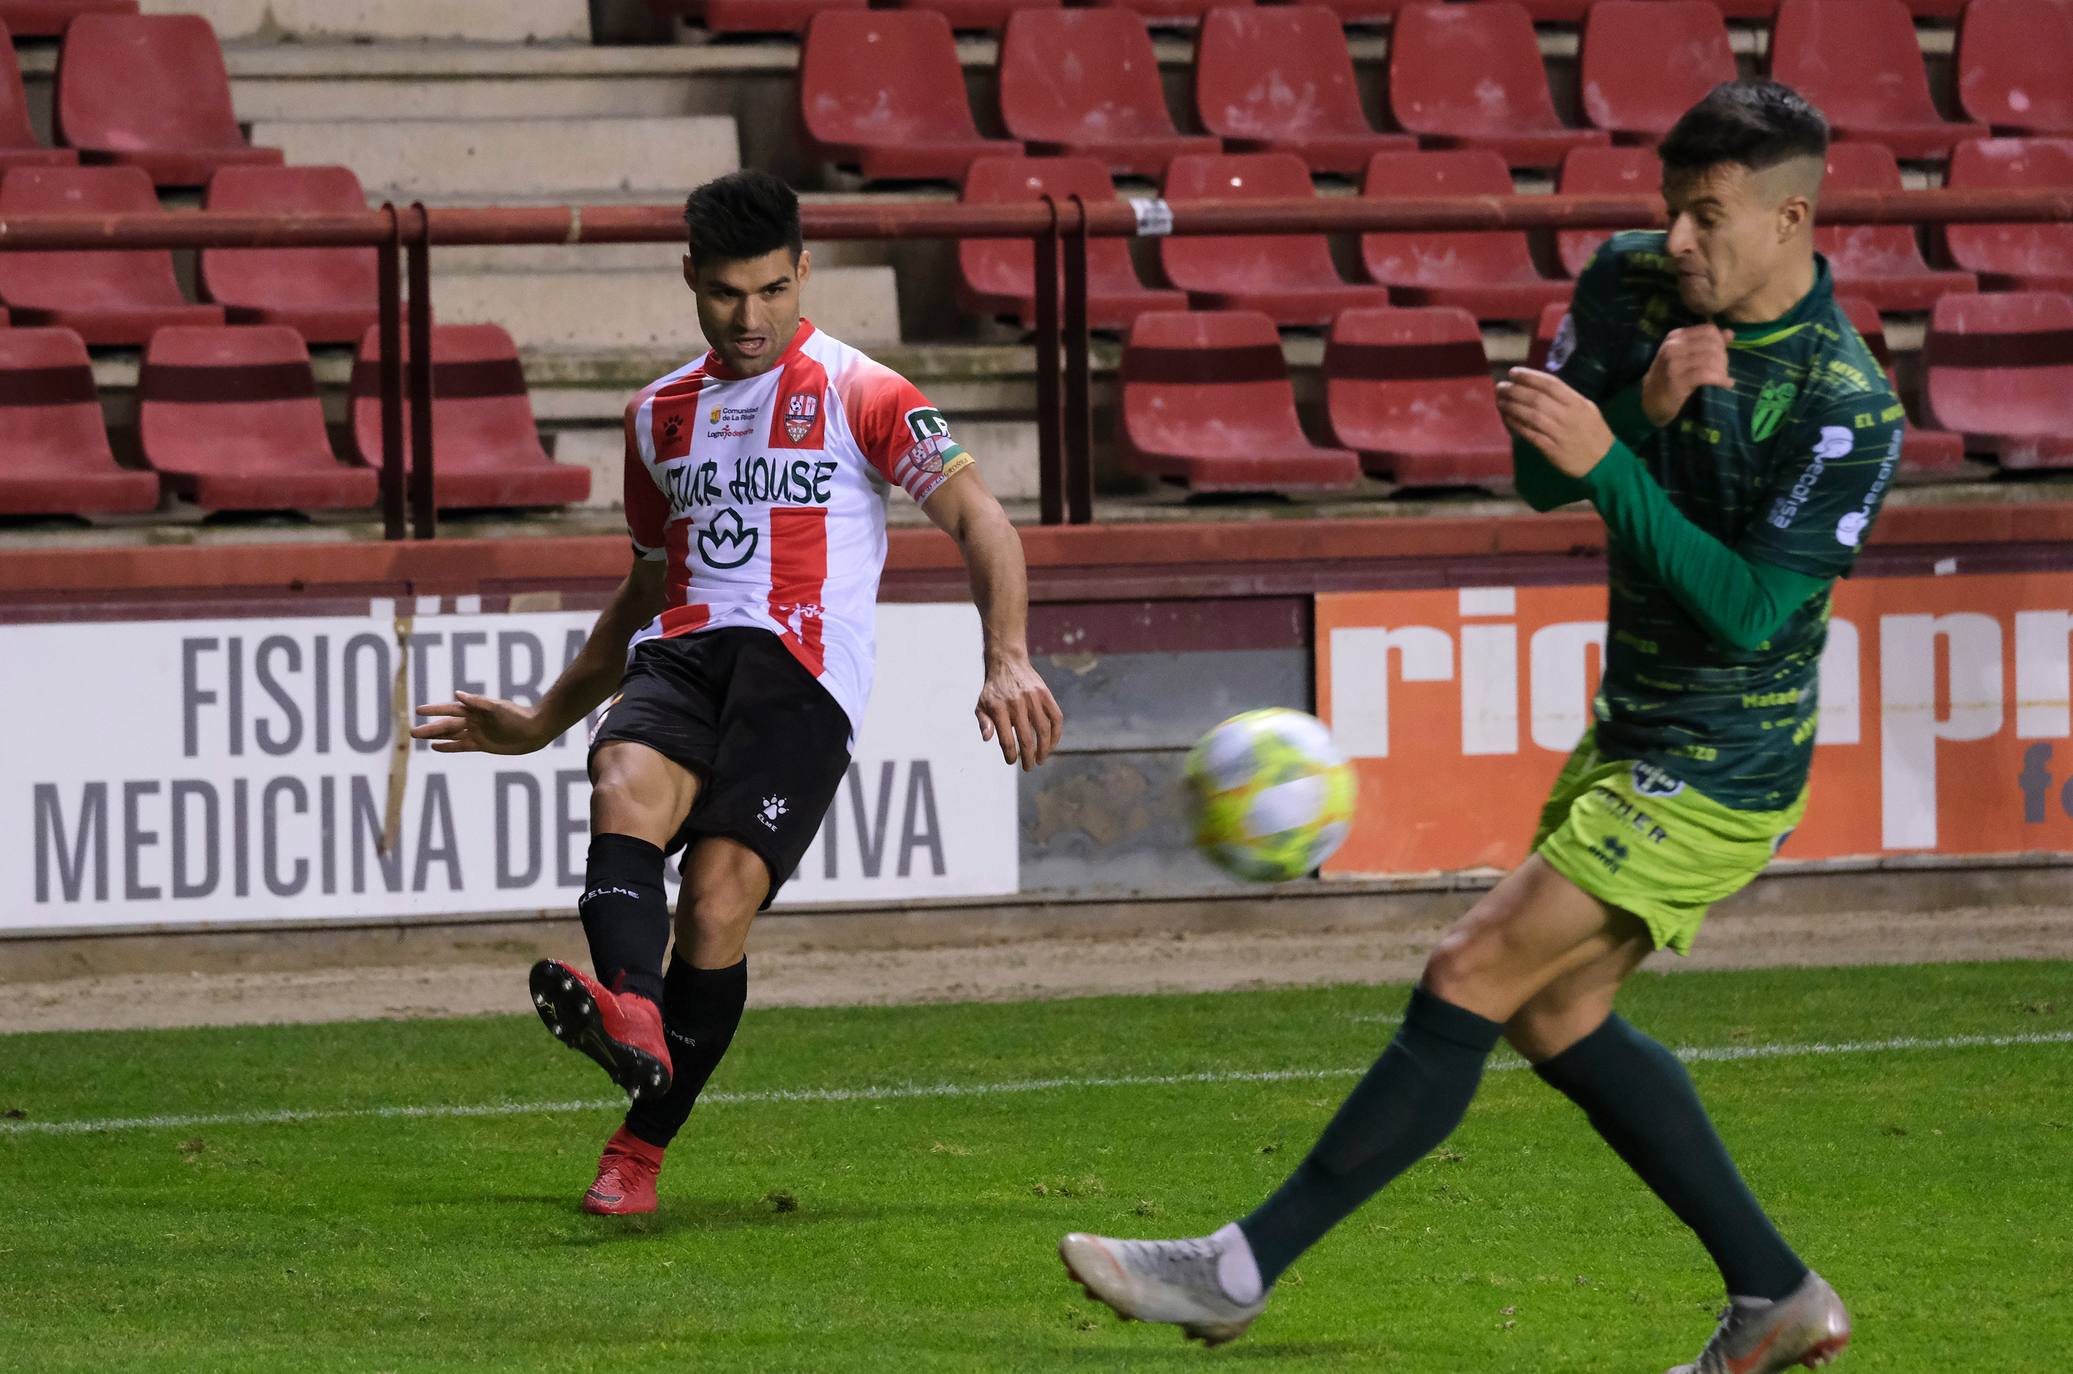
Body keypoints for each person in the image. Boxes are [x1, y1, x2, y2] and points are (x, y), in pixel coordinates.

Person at [1058, 80, 1894, 1374]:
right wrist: (1634, 420)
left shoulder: (1847, 404)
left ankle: (1233, 1268)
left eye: (1708, 217)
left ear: (1792, 218)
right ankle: (1775, 1294)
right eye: (1670, 209)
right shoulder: (1629, 286)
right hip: (1633, 733)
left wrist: (1622, 457)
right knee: (1551, 1016)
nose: (1676, 239)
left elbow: (1744, 611)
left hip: (1726, 758)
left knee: (1466, 969)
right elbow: (1535, 472)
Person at [413, 170, 1063, 1216]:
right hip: (684, 651)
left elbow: (983, 521)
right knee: (621, 777)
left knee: (713, 910)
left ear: (803, 273)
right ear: (690, 281)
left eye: (770, 290)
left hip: (802, 676)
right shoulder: (655, 417)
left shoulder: (868, 394)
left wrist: (1008, 653)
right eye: (724, 294)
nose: (749, 316)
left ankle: (640, 1145)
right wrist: (543, 719)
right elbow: (646, 582)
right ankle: (631, 1013)